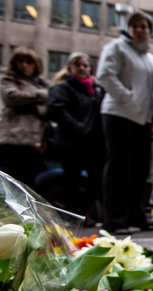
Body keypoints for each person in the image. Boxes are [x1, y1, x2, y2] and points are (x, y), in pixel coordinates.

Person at [96, 11, 153, 235]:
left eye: (145, 26)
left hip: (142, 120)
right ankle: (113, 218)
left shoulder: (150, 58)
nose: (141, 30)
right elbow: (105, 75)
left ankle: (135, 212)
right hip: (118, 114)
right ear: (129, 28)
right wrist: (127, 96)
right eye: (137, 26)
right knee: (117, 168)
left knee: (140, 171)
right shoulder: (116, 48)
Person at [46, 52, 105, 221]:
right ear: (70, 67)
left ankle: (79, 212)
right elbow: (56, 110)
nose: (82, 68)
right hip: (71, 143)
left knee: (97, 181)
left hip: (93, 144)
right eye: (78, 65)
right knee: (71, 180)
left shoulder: (97, 90)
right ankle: (72, 214)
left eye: (85, 65)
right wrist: (78, 127)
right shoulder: (62, 88)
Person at [0, 47, 49, 188]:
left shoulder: (42, 84)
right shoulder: (9, 79)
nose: (24, 65)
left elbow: (48, 109)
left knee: (28, 185)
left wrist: (33, 101)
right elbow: (11, 97)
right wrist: (40, 96)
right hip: (12, 140)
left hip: (34, 143)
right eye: (20, 61)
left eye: (29, 62)